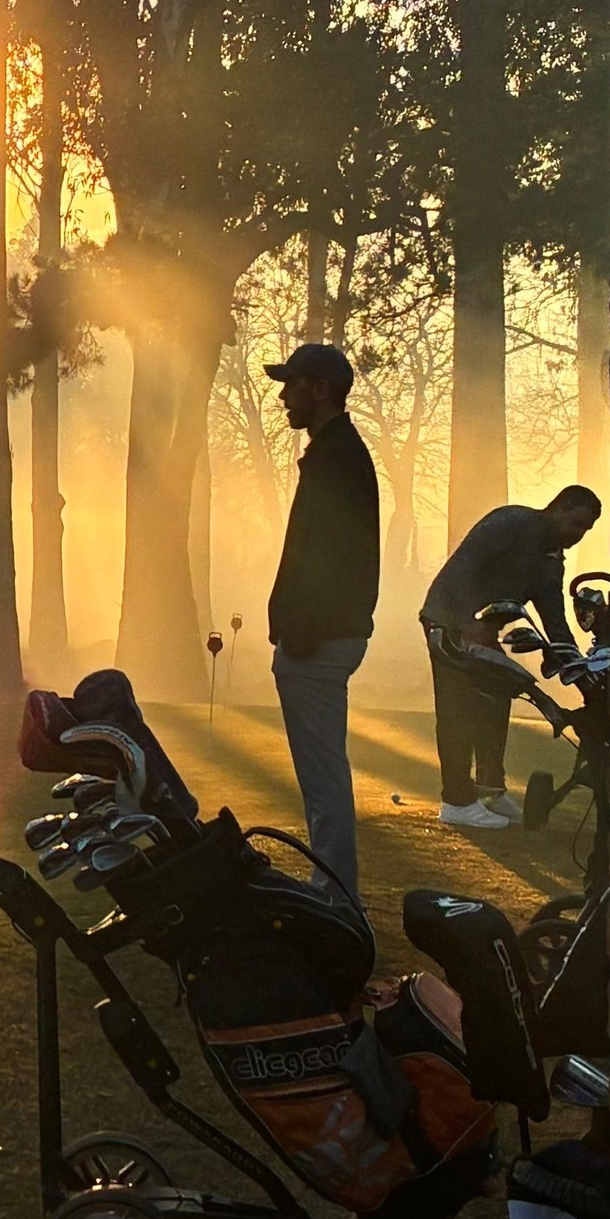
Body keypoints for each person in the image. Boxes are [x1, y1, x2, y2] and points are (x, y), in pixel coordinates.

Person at [265, 342, 381, 903]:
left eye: (293, 384)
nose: (284, 396)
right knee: (322, 775)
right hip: (324, 635)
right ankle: (334, 889)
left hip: (320, 640)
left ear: (321, 389)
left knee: (323, 777)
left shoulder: (337, 459)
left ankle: (335, 896)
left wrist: (299, 630)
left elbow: (330, 555)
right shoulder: (335, 453)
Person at [420, 485, 603, 830]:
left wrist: (580, 670)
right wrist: (468, 623)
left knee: (495, 700)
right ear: (560, 508)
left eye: (587, 529)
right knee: (457, 708)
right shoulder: (511, 522)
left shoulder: (551, 560)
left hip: (482, 633)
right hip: (447, 622)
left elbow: (554, 620)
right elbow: (465, 566)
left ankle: (490, 791)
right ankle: (456, 801)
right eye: (577, 524)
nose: (579, 535)